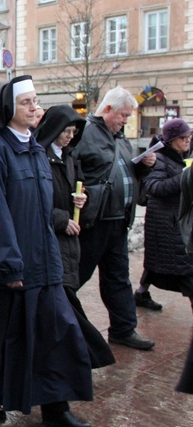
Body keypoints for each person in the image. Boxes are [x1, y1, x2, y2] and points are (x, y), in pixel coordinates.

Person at [0, 75, 93, 427]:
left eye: (36, 100)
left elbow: (46, 210)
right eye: (26, 102)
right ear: (9, 108)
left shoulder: (38, 151)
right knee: (6, 339)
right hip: (14, 267)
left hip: (45, 264)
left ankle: (57, 408)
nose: (34, 107)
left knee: (56, 336)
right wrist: (10, 264)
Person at [73, 86, 157, 350]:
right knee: (75, 277)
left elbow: (125, 173)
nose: (125, 121)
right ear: (107, 109)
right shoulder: (84, 133)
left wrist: (144, 168)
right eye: (123, 115)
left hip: (119, 220)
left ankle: (123, 329)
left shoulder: (120, 138)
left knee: (118, 278)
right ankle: (56, 325)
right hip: (94, 221)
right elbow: (72, 172)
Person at [34, 105, 116, 370]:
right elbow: (33, 202)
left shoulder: (69, 157)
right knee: (66, 304)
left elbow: (79, 186)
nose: (70, 136)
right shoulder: (40, 156)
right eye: (66, 131)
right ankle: (88, 354)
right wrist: (60, 219)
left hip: (70, 241)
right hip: (53, 239)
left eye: (73, 132)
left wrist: (83, 198)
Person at [135, 119, 193, 312]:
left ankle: (141, 292)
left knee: (156, 263)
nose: (187, 141)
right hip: (165, 222)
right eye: (183, 138)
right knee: (183, 268)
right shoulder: (160, 158)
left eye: (189, 137)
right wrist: (183, 178)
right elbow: (154, 187)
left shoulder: (182, 155)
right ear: (171, 140)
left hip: (174, 220)